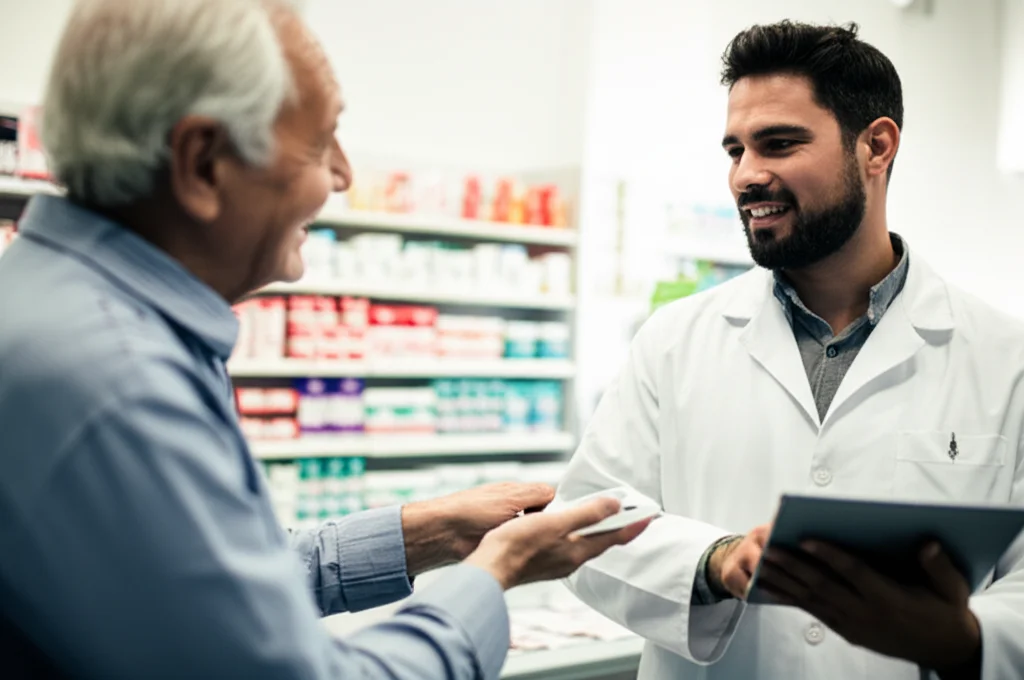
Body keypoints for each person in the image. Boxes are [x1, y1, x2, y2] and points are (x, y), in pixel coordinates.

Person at [0, 1, 650, 678]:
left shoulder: (65, 305)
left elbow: (199, 589)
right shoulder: (116, 380)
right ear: (203, 163)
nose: (342, 175)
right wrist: (494, 575)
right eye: (321, 142)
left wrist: (428, 532)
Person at [553, 20, 1024, 680]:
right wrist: (713, 562)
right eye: (734, 150)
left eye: (777, 144)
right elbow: (585, 528)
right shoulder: (674, 341)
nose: (746, 176)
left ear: (877, 147)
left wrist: (965, 639)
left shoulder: (1006, 359)